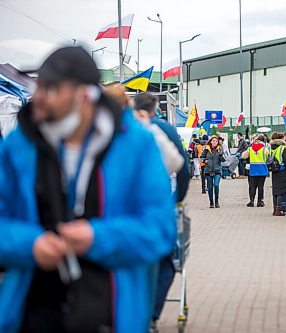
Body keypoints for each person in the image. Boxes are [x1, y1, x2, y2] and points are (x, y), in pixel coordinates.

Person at [0, 46, 176, 333]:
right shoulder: (20, 145)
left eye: (52, 88)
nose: (39, 97)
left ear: (84, 96)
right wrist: (29, 244)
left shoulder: (136, 146)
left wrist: (98, 237)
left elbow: (160, 229)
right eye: (39, 86)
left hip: (108, 314)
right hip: (30, 314)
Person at [132, 92, 192, 331]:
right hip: (156, 206)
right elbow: (183, 167)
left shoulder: (114, 127)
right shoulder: (163, 130)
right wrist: (177, 200)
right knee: (166, 260)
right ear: (155, 109)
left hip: (120, 210)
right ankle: (151, 315)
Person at [242, 134, 269, 207]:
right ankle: (260, 202)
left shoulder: (250, 149)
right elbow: (268, 156)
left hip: (253, 169)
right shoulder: (265, 149)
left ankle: (251, 201)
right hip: (262, 170)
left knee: (252, 186)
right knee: (261, 186)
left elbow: (243, 156)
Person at [200, 136, 225, 208]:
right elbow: (201, 157)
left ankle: (216, 201)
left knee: (216, 185)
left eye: (216, 141)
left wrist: (220, 155)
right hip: (208, 170)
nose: (215, 142)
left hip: (217, 170)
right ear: (210, 141)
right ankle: (211, 202)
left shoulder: (219, 149)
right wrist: (205, 161)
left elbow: (223, 160)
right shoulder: (206, 149)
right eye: (213, 141)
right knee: (210, 187)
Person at [269, 132, 286, 216]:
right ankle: (279, 209)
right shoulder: (282, 148)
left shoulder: (271, 147)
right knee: (281, 191)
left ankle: (275, 209)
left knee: (275, 190)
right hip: (282, 170)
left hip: (274, 170)